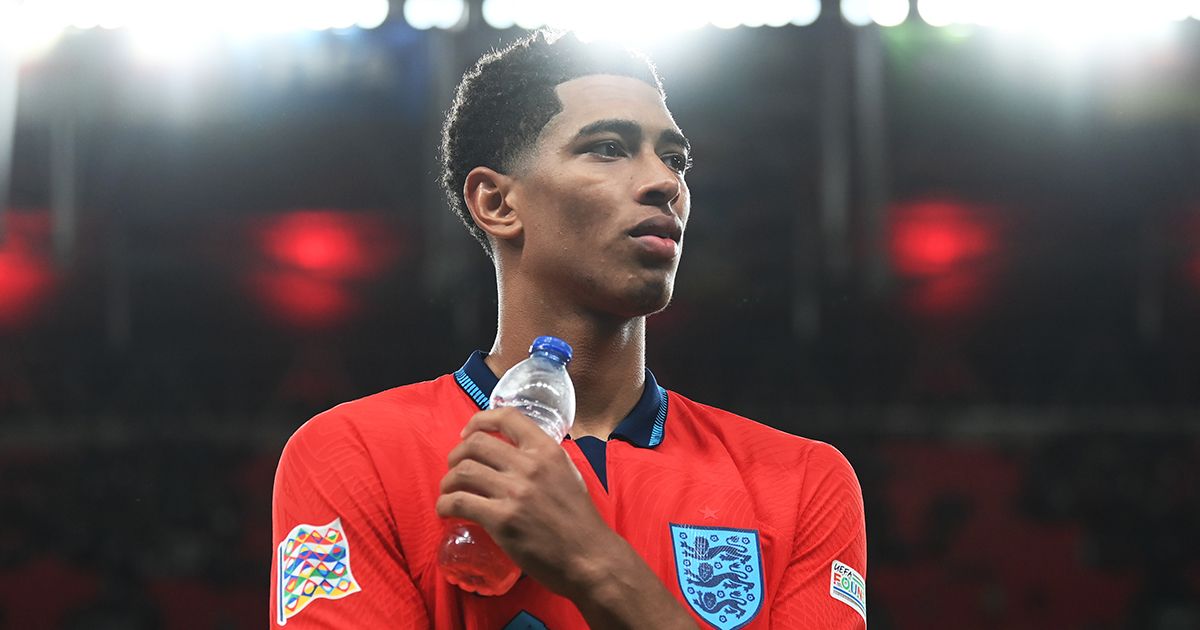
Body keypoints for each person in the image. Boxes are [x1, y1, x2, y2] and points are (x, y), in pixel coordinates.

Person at [270, 30, 866, 629]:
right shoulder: (353, 455)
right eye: (608, 147)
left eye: (676, 159)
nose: (666, 183)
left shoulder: (806, 482)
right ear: (498, 203)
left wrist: (591, 562)